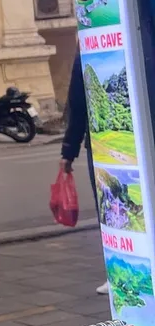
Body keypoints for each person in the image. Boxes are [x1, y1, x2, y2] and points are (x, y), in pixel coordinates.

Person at [60, 59, 107, 294]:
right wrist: (69, 149)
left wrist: (68, 152)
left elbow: (77, 103)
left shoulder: (89, 45)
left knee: (110, 209)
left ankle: (119, 272)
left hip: (103, 143)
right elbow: (79, 103)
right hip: (102, 142)